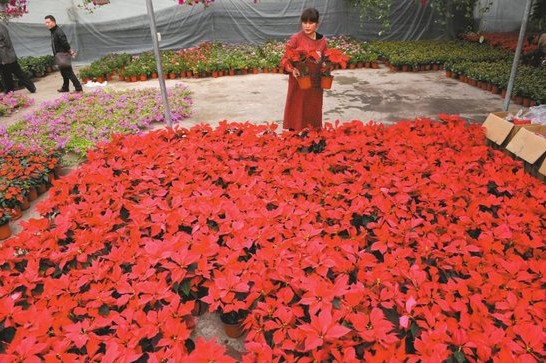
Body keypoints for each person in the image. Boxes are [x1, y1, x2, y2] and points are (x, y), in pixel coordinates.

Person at [280, 8, 327, 131]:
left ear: (317, 23)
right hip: (299, 81)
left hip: (315, 84)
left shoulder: (322, 40)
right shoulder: (296, 38)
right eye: (304, 22)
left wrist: (325, 67)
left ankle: (312, 139)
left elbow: (326, 59)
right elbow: (285, 59)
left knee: (313, 110)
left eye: (311, 23)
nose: (307, 26)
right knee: (297, 110)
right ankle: (294, 136)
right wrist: (292, 69)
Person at [44, 15, 83, 93]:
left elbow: (64, 43)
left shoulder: (58, 32)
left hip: (62, 55)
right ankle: (65, 87)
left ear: (53, 22)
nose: (46, 24)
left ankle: (78, 89)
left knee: (69, 72)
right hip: (59, 56)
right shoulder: (53, 31)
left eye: (48, 22)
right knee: (63, 72)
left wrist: (69, 51)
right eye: (45, 23)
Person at [0, 21, 36, 94]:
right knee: (8, 75)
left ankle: (30, 87)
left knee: (13, 74)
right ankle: (10, 93)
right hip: (5, 57)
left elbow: (7, 42)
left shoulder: (1, 28)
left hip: (7, 57)